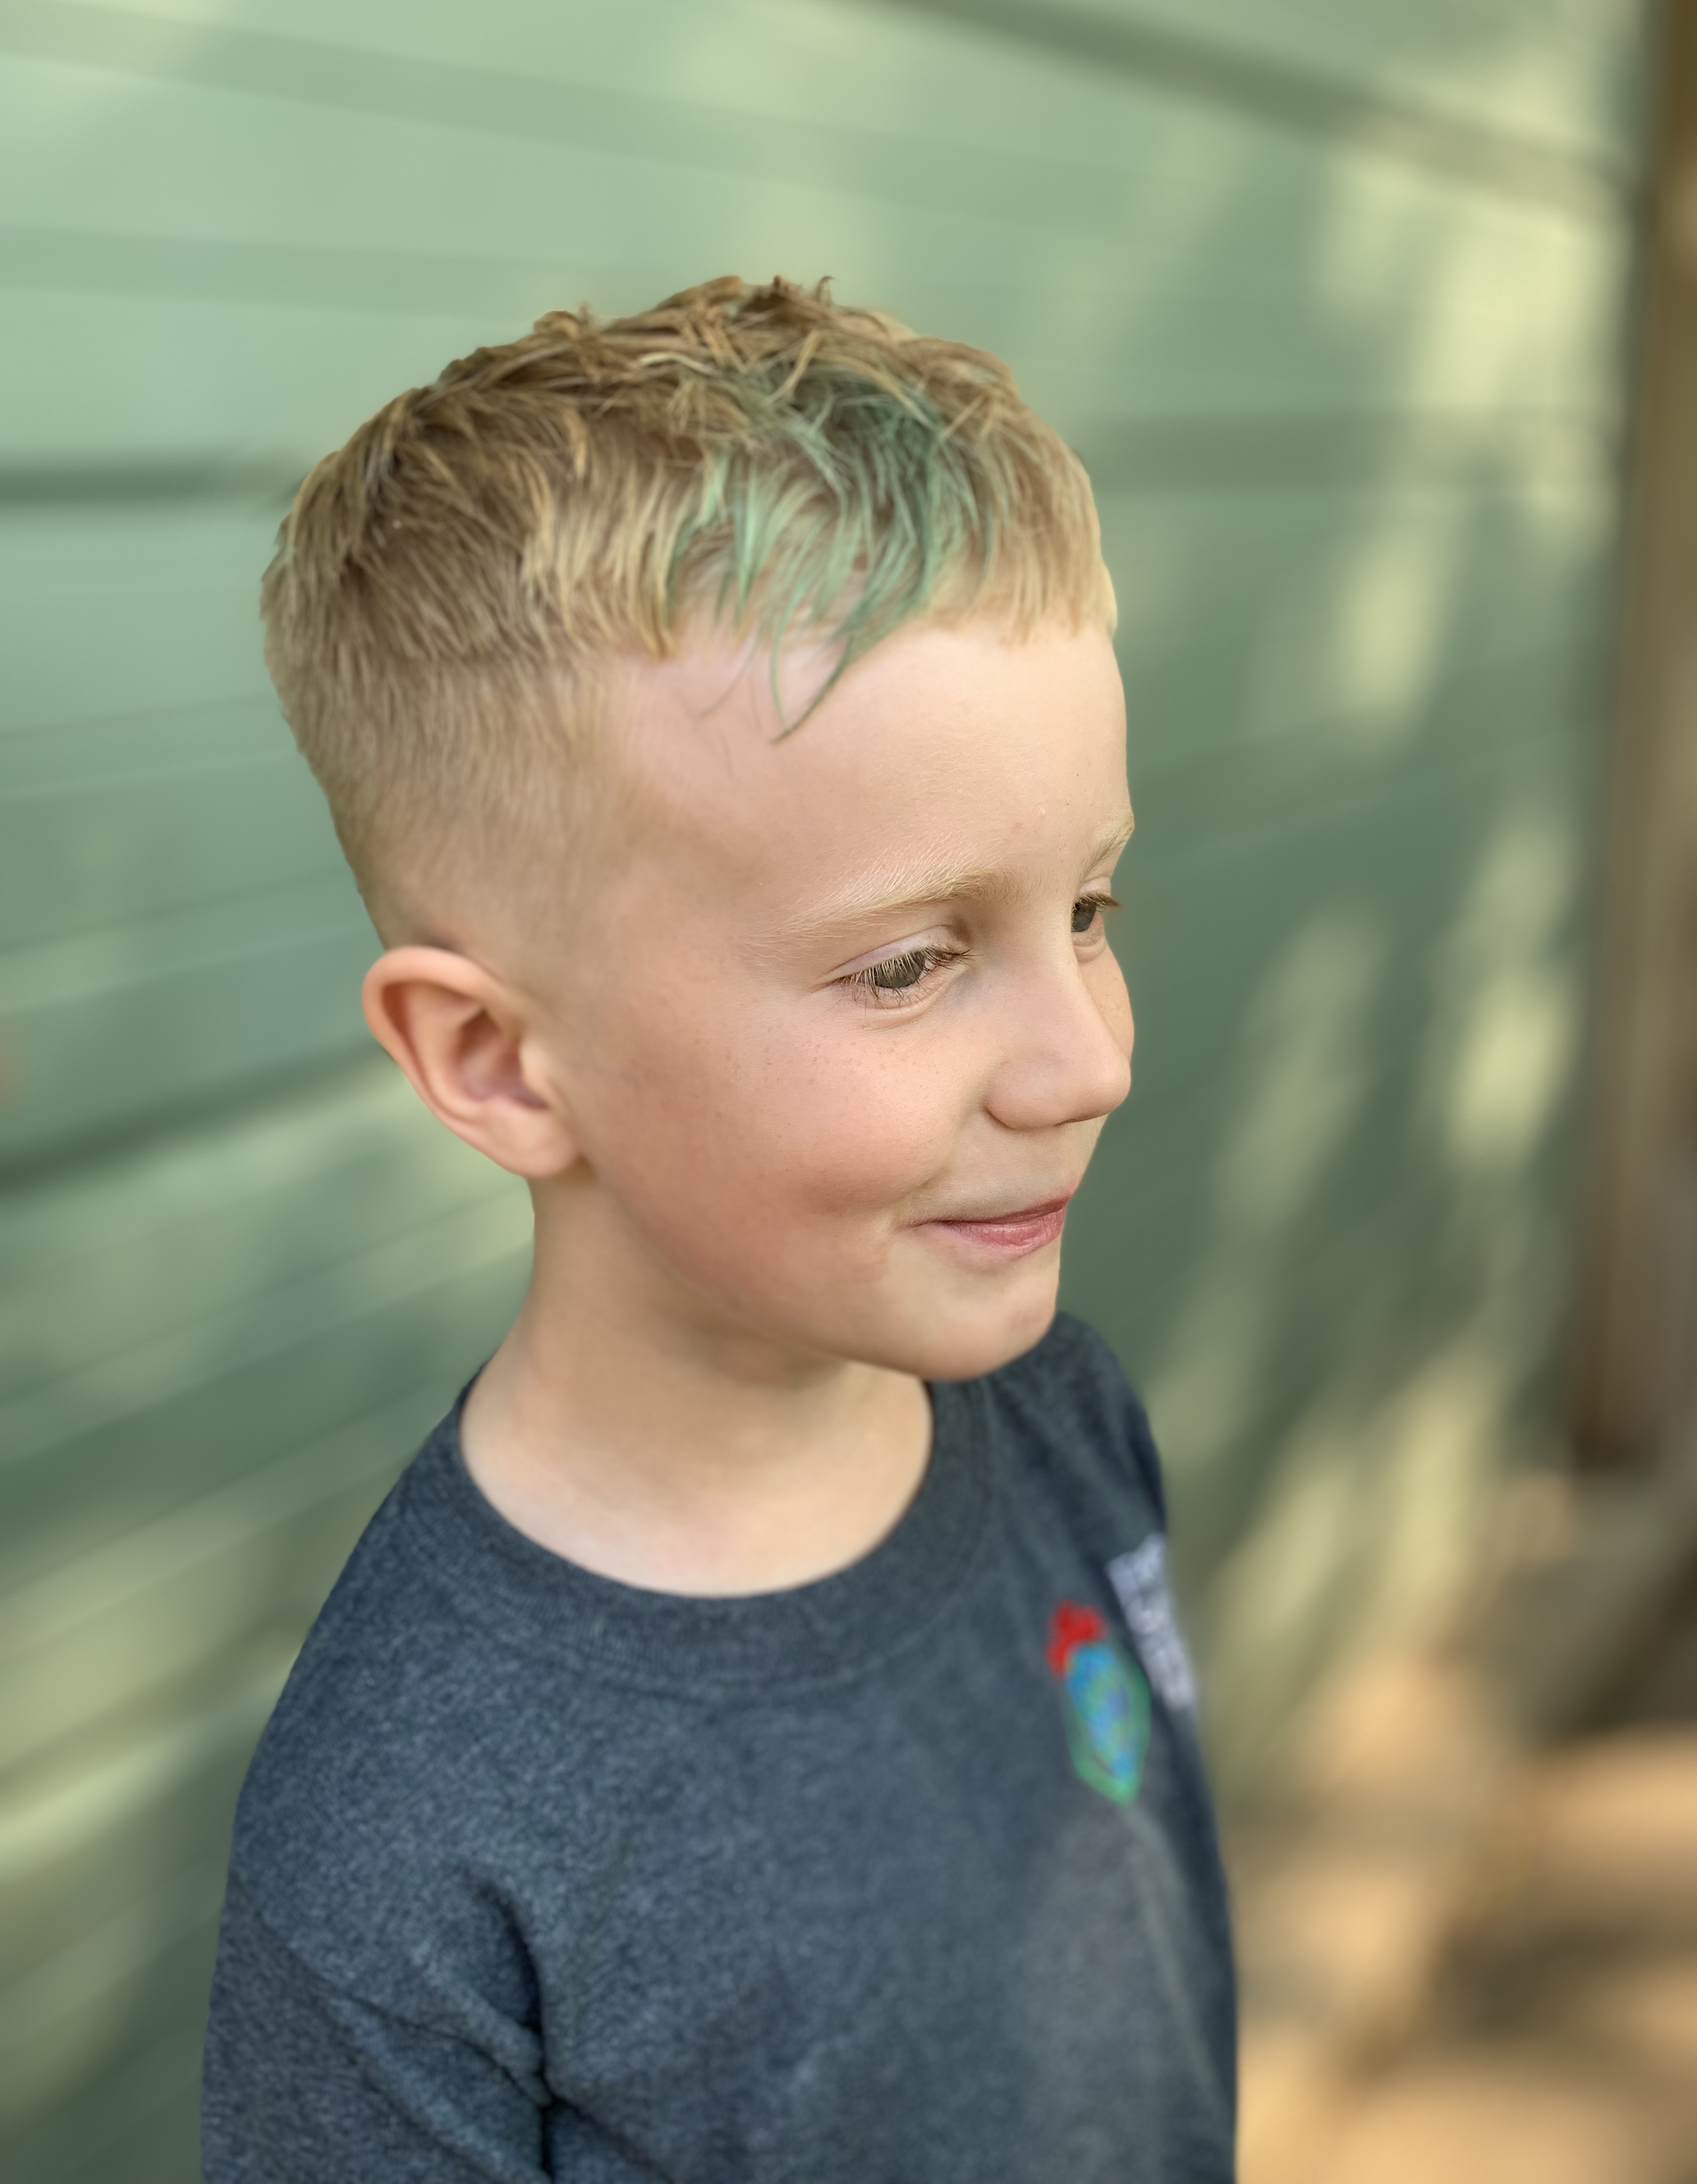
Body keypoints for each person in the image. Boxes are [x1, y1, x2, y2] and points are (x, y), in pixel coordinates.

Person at [201, 276, 1237, 2182]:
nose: (1088, 1060)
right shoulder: (408, 1843)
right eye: (915, 964)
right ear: (501, 1062)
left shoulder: (1065, 1413)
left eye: (1087, 910)